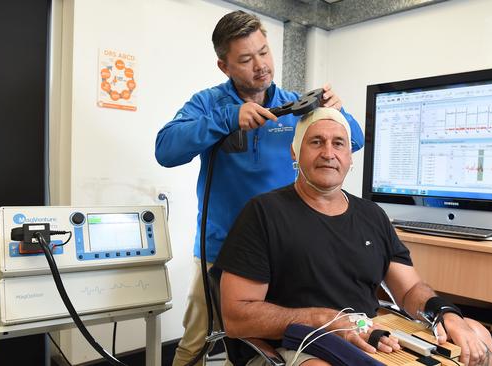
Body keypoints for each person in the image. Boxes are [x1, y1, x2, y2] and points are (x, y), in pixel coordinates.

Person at [154, 10, 364, 366]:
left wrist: (339, 112)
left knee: (275, 345)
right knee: (195, 345)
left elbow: (352, 141)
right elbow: (166, 149)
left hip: (282, 253)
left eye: (264, 52)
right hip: (217, 253)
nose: (261, 66)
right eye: (246, 59)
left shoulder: (297, 104)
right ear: (224, 66)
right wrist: (227, 119)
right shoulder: (209, 104)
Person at [216, 107, 492, 366]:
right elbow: (237, 316)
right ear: (294, 152)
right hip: (299, 343)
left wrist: (445, 314)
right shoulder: (263, 213)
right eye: (316, 142)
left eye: (338, 143)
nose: (328, 152)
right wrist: (323, 319)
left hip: (370, 335)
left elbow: (410, 290)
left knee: (477, 334)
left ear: (350, 156)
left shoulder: (372, 215)